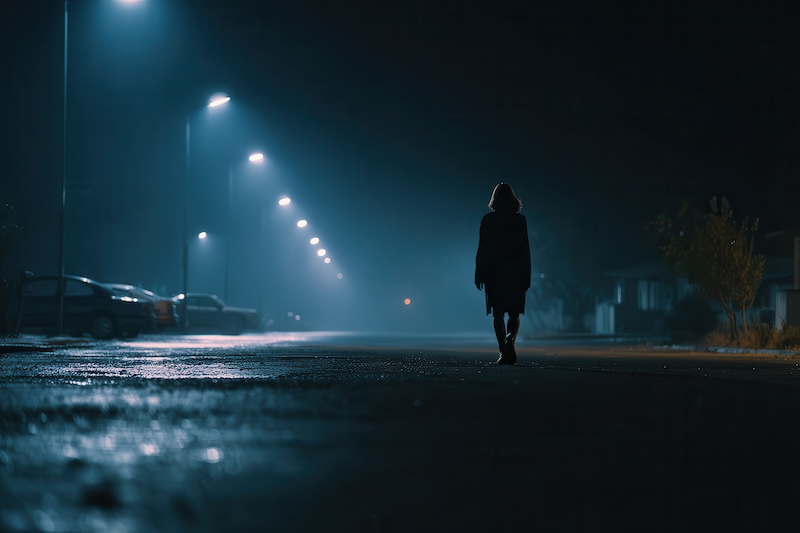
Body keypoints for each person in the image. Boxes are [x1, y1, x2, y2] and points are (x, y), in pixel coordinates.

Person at [475, 183, 531, 364]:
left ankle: (502, 350)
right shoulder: (520, 220)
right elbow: (525, 250)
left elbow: (482, 248)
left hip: (494, 272)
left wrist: (479, 272)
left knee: (497, 313)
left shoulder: (488, 220)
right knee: (514, 313)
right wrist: (526, 275)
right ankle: (510, 339)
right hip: (515, 272)